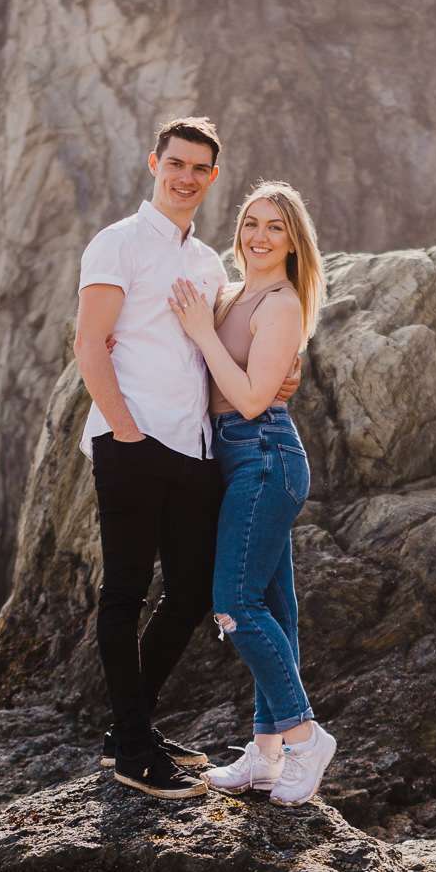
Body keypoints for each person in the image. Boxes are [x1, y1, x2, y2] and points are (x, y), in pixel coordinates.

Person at [74, 116, 300, 801]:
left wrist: (282, 377)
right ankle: (133, 748)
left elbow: (227, 350)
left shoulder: (207, 264)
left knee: (193, 595)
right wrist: (127, 432)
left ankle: (130, 725)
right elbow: (89, 343)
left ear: (212, 178)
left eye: (199, 169)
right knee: (123, 594)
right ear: (154, 163)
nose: (185, 177)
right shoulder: (117, 243)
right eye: (175, 163)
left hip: (195, 447)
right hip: (132, 442)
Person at [168, 183, 336, 806]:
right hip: (238, 459)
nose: (259, 237)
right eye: (250, 223)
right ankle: (266, 756)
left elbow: (250, 398)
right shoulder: (235, 293)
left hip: (264, 456)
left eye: (275, 228)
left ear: (294, 242)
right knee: (275, 611)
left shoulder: (282, 303)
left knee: (234, 603)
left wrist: (201, 332)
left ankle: (304, 737)